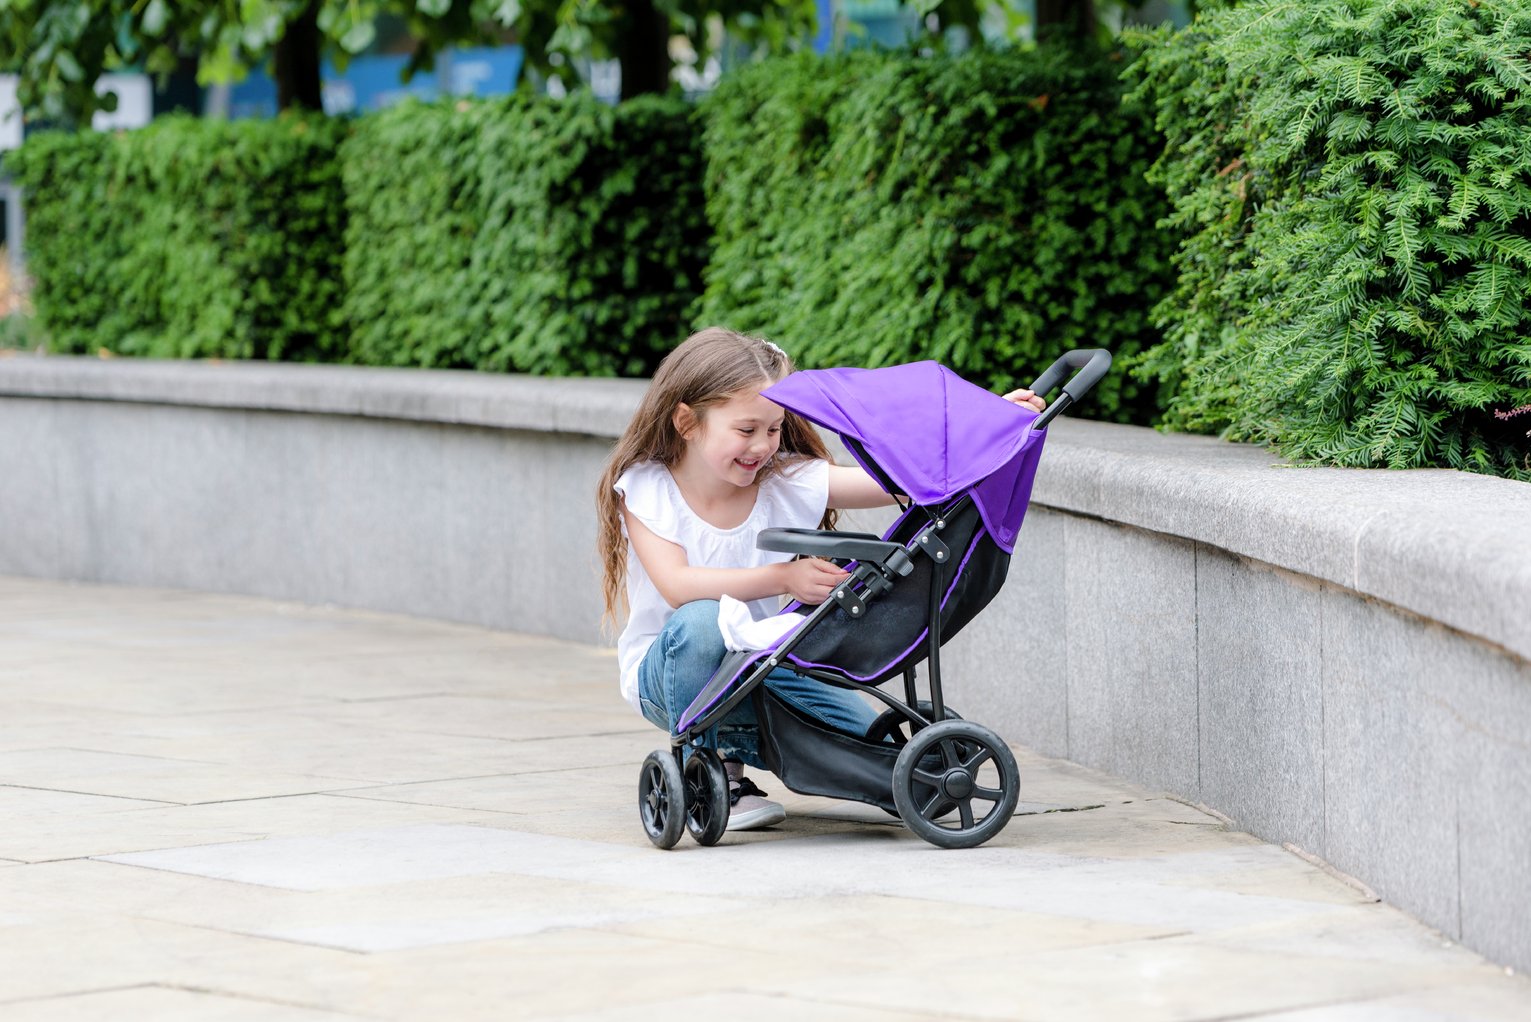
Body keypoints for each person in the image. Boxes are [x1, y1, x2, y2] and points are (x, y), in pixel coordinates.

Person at [596, 327, 1045, 831]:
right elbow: (677, 585)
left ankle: (908, 781)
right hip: (674, 669)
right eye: (746, 430)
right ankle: (718, 766)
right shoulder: (648, 487)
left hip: (768, 665)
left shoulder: (787, 477)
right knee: (703, 622)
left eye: (774, 428)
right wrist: (783, 577)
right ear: (687, 422)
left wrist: (991, 428)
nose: (763, 445)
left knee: (876, 754)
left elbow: (899, 482)